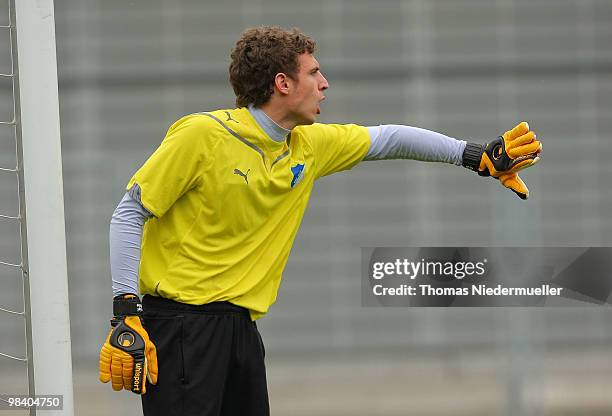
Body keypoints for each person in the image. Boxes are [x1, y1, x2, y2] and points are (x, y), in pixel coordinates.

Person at [98, 26, 542, 416]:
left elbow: (388, 138)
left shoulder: (307, 145)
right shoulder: (203, 135)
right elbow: (129, 212)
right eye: (314, 74)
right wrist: (125, 312)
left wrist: (474, 156)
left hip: (241, 330)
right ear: (282, 82)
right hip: (179, 328)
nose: (325, 84)